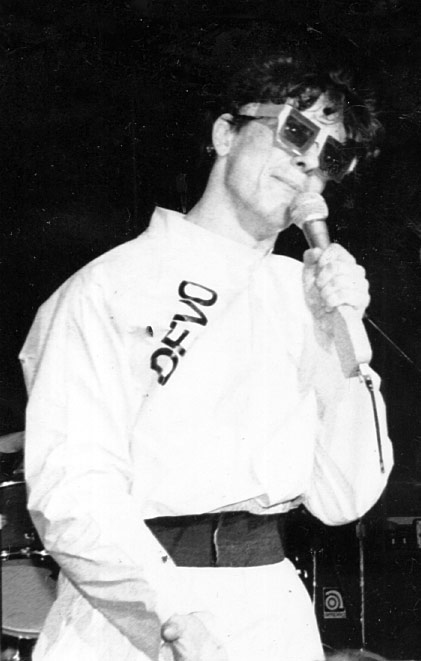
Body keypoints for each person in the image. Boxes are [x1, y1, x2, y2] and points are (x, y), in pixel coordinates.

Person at [19, 44, 394, 661]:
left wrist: (340, 343)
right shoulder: (107, 288)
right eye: (296, 131)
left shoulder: (305, 296)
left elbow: (345, 498)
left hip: (271, 607)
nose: (308, 161)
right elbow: (73, 487)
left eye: (332, 155)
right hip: (132, 617)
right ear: (226, 133)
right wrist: (172, 616)